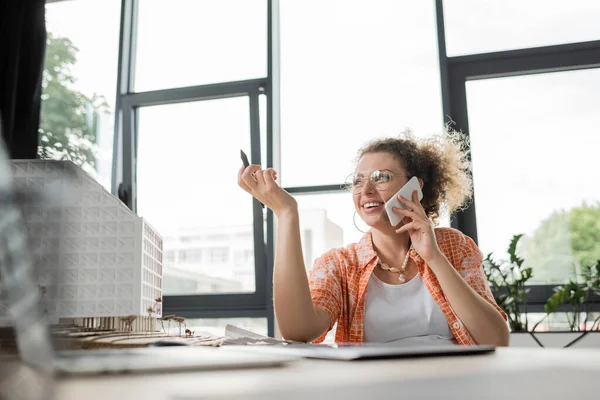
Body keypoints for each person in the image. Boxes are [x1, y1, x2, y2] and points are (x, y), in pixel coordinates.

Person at [237, 130, 509, 346]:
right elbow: (297, 332)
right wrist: (286, 213)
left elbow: (496, 339)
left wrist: (434, 258)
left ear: (415, 187)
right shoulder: (340, 265)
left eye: (381, 177)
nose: (365, 190)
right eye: (358, 181)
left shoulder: (453, 246)